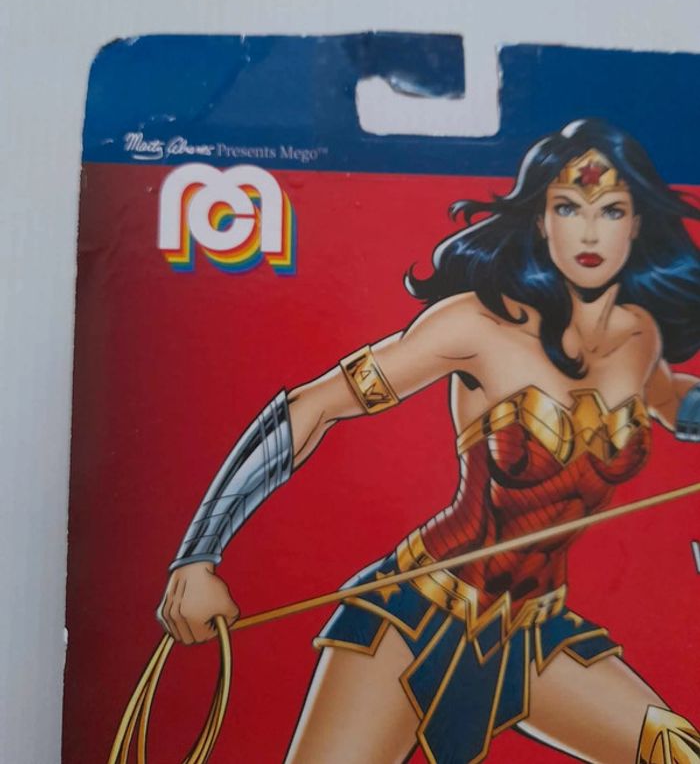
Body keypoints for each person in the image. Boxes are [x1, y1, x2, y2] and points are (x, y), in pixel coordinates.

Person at [158, 119, 700, 764]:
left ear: (636, 225)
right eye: (567, 208)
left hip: (535, 632)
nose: (588, 233)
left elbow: (673, 400)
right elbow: (315, 405)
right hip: (414, 618)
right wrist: (197, 556)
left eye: (610, 210)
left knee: (675, 753)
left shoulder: (639, 337)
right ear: (540, 220)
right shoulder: (476, 325)